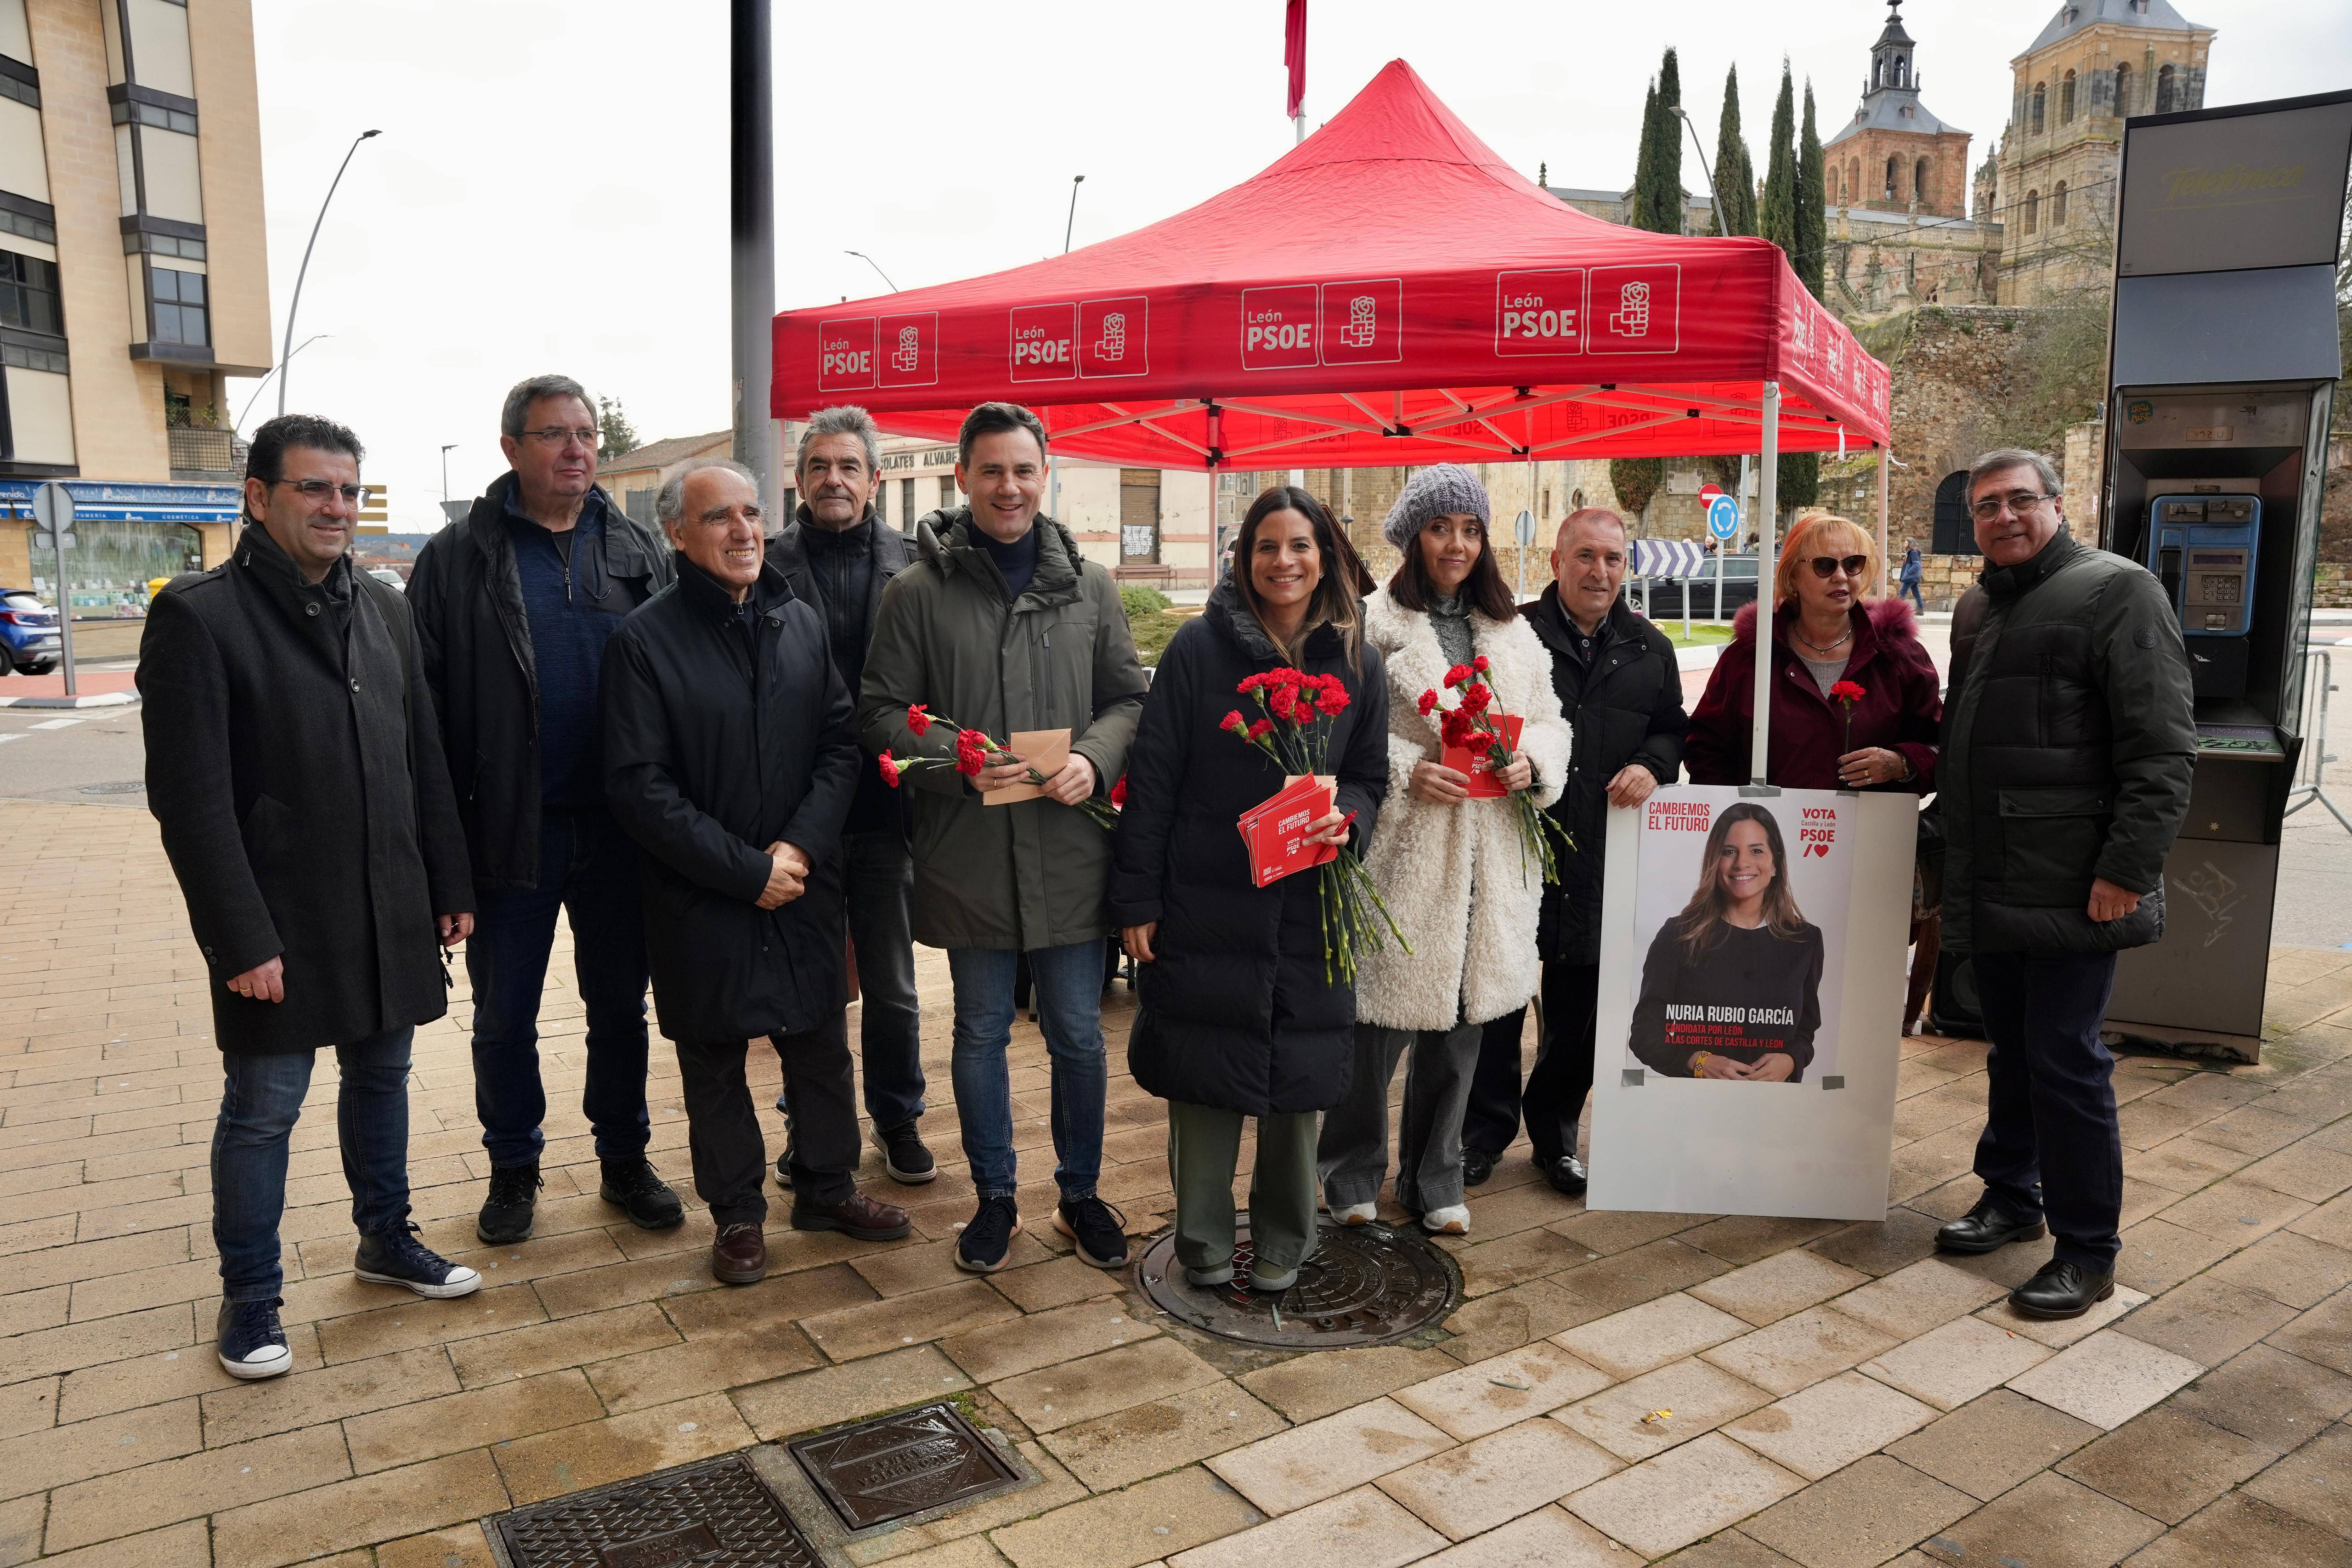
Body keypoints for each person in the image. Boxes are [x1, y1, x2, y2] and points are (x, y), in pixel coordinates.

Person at [140, 415, 482, 1381]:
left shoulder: (383, 604)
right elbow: (191, 801)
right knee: (263, 1109)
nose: (336, 508)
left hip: (385, 899)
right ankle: (250, 1295)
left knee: (382, 1077)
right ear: (258, 496)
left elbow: (423, 755)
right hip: (278, 918)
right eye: (313, 489)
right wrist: (239, 938)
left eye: (348, 490)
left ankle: (386, 1237)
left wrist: (447, 881)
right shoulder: (200, 616)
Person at [601, 459, 911, 1285]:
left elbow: (838, 743)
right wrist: (745, 870)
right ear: (676, 533)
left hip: (803, 879)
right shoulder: (644, 641)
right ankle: (737, 1213)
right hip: (702, 890)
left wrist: (800, 850)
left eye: (751, 514)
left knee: (818, 1042)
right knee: (714, 1059)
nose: (743, 532)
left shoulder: (798, 619)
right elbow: (640, 786)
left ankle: (827, 1185)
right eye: (718, 519)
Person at [859, 403, 1147, 1274]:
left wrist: (1095, 761)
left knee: (1077, 1032)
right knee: (980, 1031)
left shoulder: (1090, 586)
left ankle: (1081, 1191)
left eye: (1024, 470)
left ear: (1044, 473)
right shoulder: (916, 592)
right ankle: (993, 1198)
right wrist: (956, 758)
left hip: (1069, 849)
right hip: (970, 851)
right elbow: (877, 711)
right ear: (964, 479)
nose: (1009, 487)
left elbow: (1129, 699)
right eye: (992, 471)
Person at [408, 374, 681, 1246]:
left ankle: (625, 1157)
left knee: (619, 1009)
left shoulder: (640, 549)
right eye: (555, 434)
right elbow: (425, 715)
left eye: (588, 433)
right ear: (511, 448)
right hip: (507, 831)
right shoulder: (457, 559)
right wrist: (442, 856)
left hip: (620, 829)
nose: (576, 449)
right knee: (503, 1016)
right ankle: (513, 1167)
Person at [1934, 449, 2194, 1319]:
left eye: (2019, 501)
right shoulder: (1978, 605)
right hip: (1999, 877)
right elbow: (1966, 741)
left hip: (2078, 884)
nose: (2003, 517)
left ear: (2057, 503)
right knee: (2012, 1049)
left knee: (2067, 1063)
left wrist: (2127, 867)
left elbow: (2160, 748)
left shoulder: (2118, 591)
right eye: (1984, 507)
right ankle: (2012, 1194)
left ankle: (2088, 1249)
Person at [1112, 488, 1389, 1291]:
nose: (1284, 562)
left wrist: (1351, 818)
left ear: (1326, 553)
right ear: (1245, 558)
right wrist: (1138, 901)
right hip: (1210, 895)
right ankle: (1200, 1240)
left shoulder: (1356, 656)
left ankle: (1282, 1240)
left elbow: (1370, 776)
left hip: (1313, 901)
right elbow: (1154, 780)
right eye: (1267, 546)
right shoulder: (1201, 649)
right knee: (1204, 1070)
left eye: (1300, 545)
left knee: (1300, 1080)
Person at [1320, 465, 1572, 1236]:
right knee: (1378, 1027)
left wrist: (1537, 762)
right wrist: (1406, 769)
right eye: (1440, 528)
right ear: (1412, 539)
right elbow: (1341, 736)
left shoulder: (1513, 630)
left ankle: (1434, 1176)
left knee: (1463, 1027)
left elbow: (1553, 721)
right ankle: (1349, 1169)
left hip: (1491, 852)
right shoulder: (1370, 623)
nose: (1457, 543)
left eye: (1469, 529)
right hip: (1409, 851)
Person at [1463, 508, 1684, 1195]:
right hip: (1514, 848)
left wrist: (1653, 762)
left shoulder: (1650, 648)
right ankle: (1482, 1135)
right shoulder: (1511, 635)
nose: (1600, 571)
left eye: (1614, 559)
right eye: (1585, 556)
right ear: (1557, 562)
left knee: (1581, 1010)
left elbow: (1674, 730)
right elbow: (1470, 720)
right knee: (1497, 1002)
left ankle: (1555, 1135)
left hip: (1600, 855)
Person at [767, 407, 932, 1187]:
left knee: (894, 986)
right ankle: (811, 1118)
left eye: (849, 466)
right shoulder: (765, 565)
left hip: (887, 812)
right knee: (809, 986)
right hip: (796, 817)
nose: (834, 479)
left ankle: (898, 1115)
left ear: (873, 478)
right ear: (799, 480)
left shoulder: (916, 563)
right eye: (819, 466)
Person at [1685, 512, 1941, 793]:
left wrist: (1902, 764)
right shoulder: (1751, 657)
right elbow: (1706, 747)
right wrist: (1738, 815)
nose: (1841, 576)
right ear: (1792, 574)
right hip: (1768, 832)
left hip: (1872, 832)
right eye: (1825, 565)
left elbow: (1941, 747)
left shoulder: (1899, 656)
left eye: (1853, 564)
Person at [1628, 803, 1825, 1081]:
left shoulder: (1806, 940)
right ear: (1714, 861)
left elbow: (1805, 1029)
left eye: (1756, 851)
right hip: (1692, 1104)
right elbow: (1645, 1032)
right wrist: (1697, 1061)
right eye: (1729, 851)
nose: (1742, 863)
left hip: (1773, 1106)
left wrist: (1792, 1060)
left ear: (1775, 863)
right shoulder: (1679, 934)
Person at [1899, 539, 1926, 614]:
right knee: (1916, 593)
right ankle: (1920, 609)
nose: (1904, 545)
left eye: (1906, 543)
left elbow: (1917, 565)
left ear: (1910, 544)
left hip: (1911, 577)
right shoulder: (1911, 553)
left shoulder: (1913, 553)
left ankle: (1898, 610)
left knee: (1902, 592)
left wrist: (1908, 572)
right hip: (1913, 577)